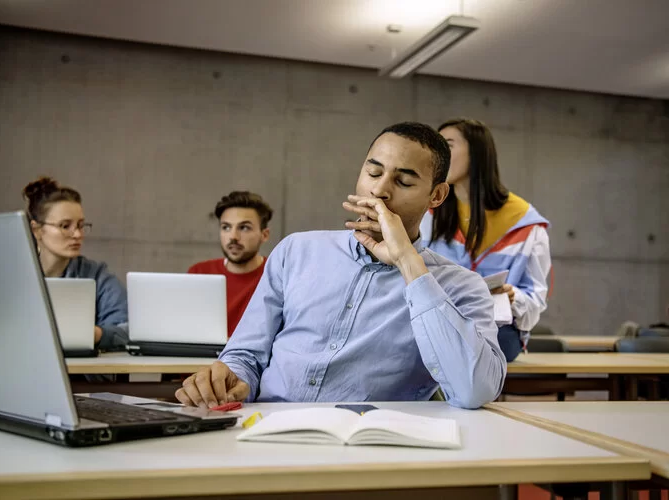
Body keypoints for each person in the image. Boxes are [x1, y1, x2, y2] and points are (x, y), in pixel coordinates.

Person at [175, 122, 507, 410]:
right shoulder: (297, 250)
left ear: (436, 196)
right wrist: (232, 380)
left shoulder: (461, 286)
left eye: (403, 182)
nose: (379, 190)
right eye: (373, 172)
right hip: (266, 427)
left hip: (366, 449)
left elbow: (473, 391)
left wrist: (408, 262)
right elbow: (244, 355)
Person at [420, 118, 551, 362]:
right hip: (437, 321)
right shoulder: (428, 215)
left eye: (447, 145)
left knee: (471, 345)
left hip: (499, 331)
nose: (438, 155)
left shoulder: (525, 224)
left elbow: (536, 298)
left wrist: (515, 297)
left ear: (477, 154)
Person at [23, 177, 128, 350]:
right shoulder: (15, 277)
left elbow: (128, 329)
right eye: (65, 226)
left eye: (80, 225)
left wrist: (94, 334)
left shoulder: (97, 275)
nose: (78, 234)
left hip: (81, 375)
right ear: (37, 230)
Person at [188, 191, 272, 337]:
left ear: (264, 235)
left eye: (244, 227)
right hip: (200, 358)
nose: (233, 237)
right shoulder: (199, 272)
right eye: (226, 227)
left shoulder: (276, 276)